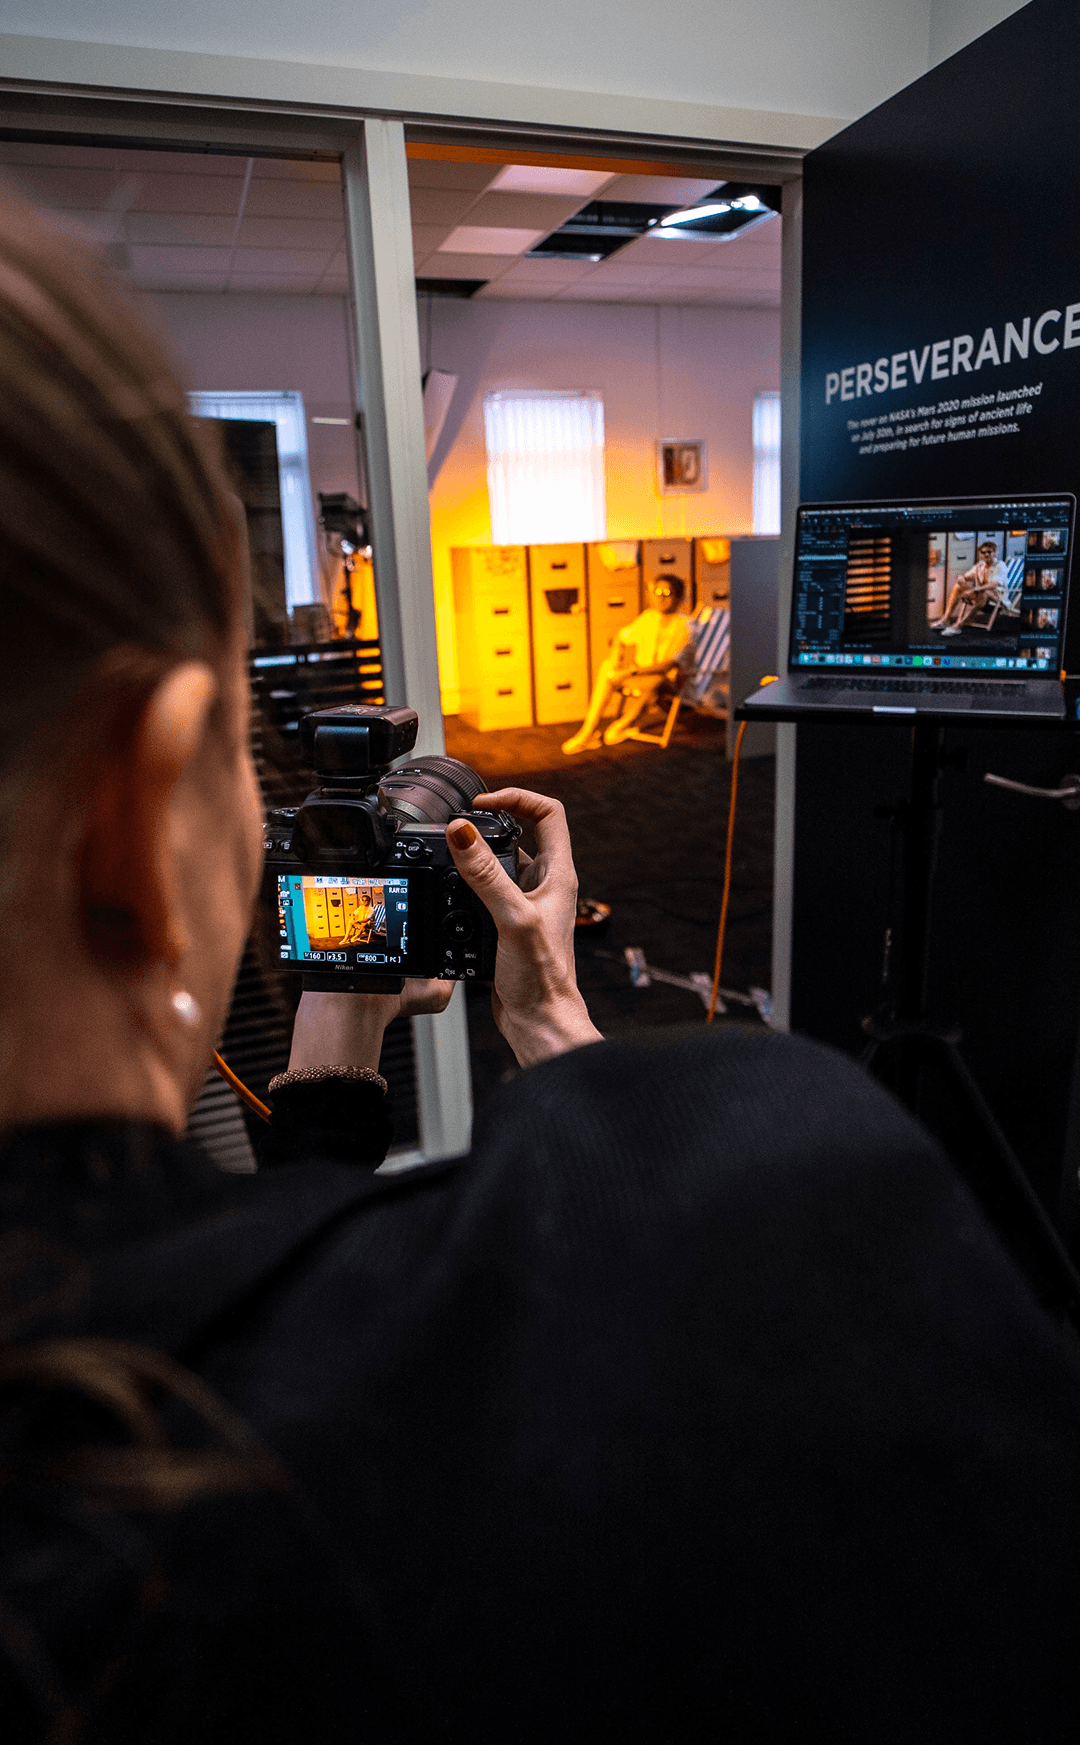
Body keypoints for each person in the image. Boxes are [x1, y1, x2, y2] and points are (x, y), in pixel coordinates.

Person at [2, 184, 1080, 1744]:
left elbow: (252, 1282)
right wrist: (561, 1020)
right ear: (134, 801)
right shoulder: (770, 1180)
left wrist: (330, 1066)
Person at [561, 575, 691, 753]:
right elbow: (621, 637)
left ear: (679, 597)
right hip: (639, 674)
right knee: (607, 667)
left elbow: (669, 664)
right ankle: (587, 732)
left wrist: (631, 671)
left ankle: (622, 725)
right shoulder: (649, 617)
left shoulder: (685, 625)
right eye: (657, 592)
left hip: (666, 680)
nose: (661, 597)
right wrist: (616, 655)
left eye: (667, 593)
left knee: (656, 682)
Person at [931, 538, 1010, 634]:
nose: (986, 554)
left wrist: (975, 589)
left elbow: (994, 584)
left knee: (984, 592)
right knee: (958, 586)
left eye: (989, 552)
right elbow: (966, 576)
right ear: (980, 554)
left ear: (995, 553)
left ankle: (958, 626)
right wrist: (961, 579)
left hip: (996, 599)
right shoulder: (980, 566)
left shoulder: (1000, 565)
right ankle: (946, 619)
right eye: (983, 552)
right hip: (980, 596)